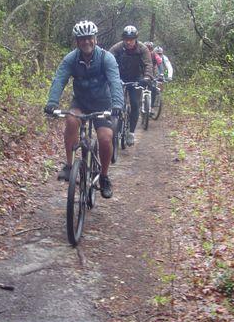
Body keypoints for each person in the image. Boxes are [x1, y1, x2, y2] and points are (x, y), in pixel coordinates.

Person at [44, 20, 123, 199]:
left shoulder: (106, 58)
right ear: (77, 41)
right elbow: (59, 79)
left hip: (103, 103)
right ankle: (70, 165)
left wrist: (118, 104)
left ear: (95, 39)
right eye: (82, 39)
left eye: (89, 38)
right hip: (80, 102)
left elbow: (115, 82)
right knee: (71, 120)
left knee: (105, 138)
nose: (86, 42)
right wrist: (52, 102)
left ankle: (103, 177)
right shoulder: (71, 59)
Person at [109, 26, 153, 146]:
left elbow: (148, 64)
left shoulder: (142, 49)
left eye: (131, 39)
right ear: (123, 39)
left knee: (134, 103)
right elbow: (107, 60)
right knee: (117, 103)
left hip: (136, 79)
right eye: (126, 39)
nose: (128, 42)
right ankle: (115, 125)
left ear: (135, 39)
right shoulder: (117, 48)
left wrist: (147, 77)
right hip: (119, 78)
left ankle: (131, 133)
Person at [144, 41, 163, 114]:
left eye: (150, 48)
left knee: (154, 90)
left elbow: (160, 64)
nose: (148, 50)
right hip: (141, 74)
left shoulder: (155, 55)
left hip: (152, 75)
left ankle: (151, 107)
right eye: (146, 48)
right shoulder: (139, 54)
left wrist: (161, 74)